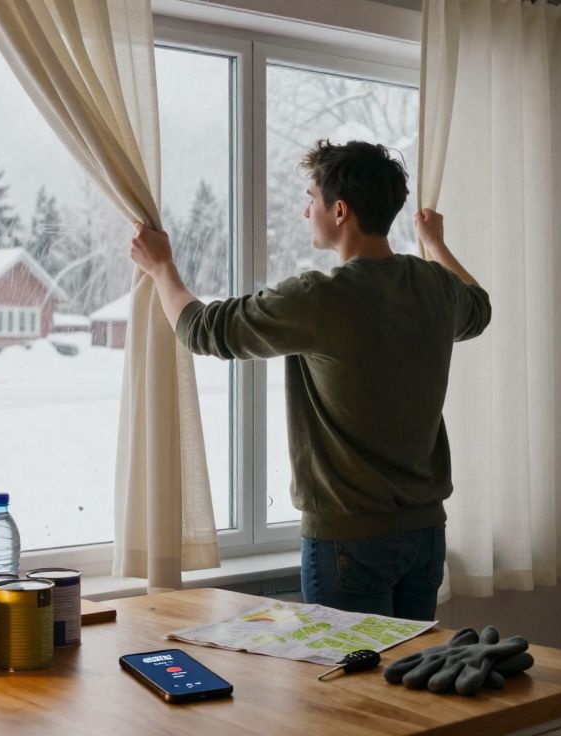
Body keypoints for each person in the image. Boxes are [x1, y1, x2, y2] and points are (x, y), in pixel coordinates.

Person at [129, 139, 491, 620]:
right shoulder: (435, 287)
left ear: (339, 210)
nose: (305, 211)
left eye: (311, 198)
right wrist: (437, 244)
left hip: (349, 544)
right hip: (425, 537)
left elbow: (204, 330)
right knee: (409, 690)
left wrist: (161, 268)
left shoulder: (320, 298)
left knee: (348, 695)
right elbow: (479, 306)